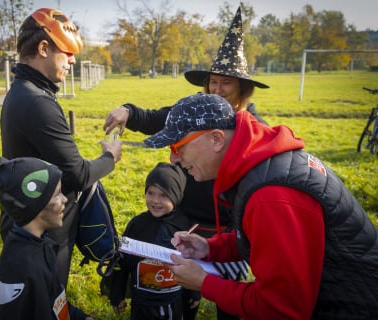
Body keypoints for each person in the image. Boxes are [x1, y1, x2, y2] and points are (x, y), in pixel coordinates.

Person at [142, 92, 378, 319]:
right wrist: (211, 248)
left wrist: (204, 283)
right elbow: (268, 240)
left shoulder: (271, 197)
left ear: (216, 139)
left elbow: (279, 309)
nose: (173, 158)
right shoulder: (263, 166)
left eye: (177, 146)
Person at [103, 7, 258, 319]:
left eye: (226, 83)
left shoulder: (252, 134)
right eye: (213, 82)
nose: (217, 89)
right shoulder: (194, 113)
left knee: (230, 300)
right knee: (185, 289)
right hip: (189, 223)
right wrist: (129, 111)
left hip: (228, 231)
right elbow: (159, 118)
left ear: (242, 88)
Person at [0, 7, 122, 290]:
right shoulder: (36, 101)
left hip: (28, 217)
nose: (73, 60)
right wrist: (110, 157)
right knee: (47, 300)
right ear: (44, 48)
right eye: (66, 52)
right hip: (43, 226)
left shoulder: (25, 89)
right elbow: (77, 174)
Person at [0, 156, 94, 320]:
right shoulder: (23, 269)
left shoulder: (41, 243)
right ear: (35, 206)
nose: (64, 199)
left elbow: (53, 298)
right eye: (57, 195)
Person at [107, 162, 200, 319]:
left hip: (172, 301)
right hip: (142, 302)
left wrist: (194, 292)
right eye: (151, 193)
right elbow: (122, 262)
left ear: (176, 195)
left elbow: (192, 263)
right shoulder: (137, 225)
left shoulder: (184, 226)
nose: (155, 200)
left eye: (164, 195)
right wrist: (117, 294)